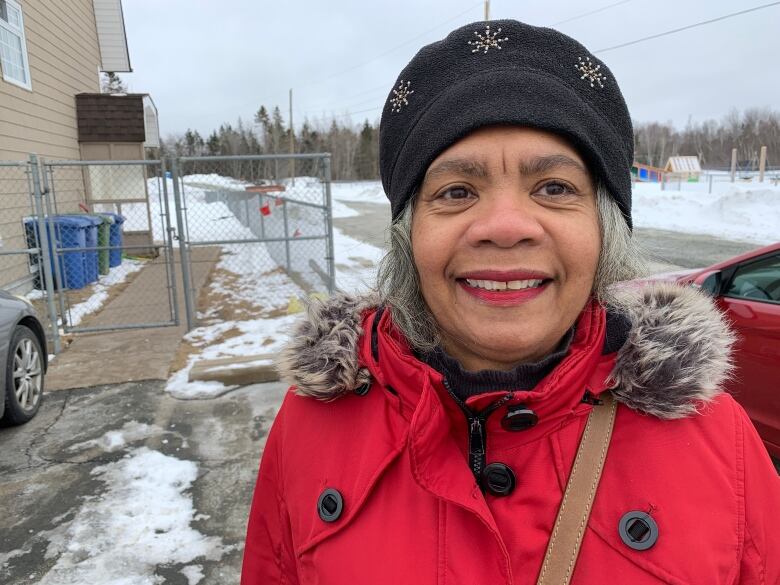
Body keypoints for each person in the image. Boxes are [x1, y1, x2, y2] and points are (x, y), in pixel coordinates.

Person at [241, 20, 780, 584]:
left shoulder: (721, 445)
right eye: (456, 191)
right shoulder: (310, 429)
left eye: (554, 187)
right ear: (408, 237)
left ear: (604, 231)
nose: (504, 227)